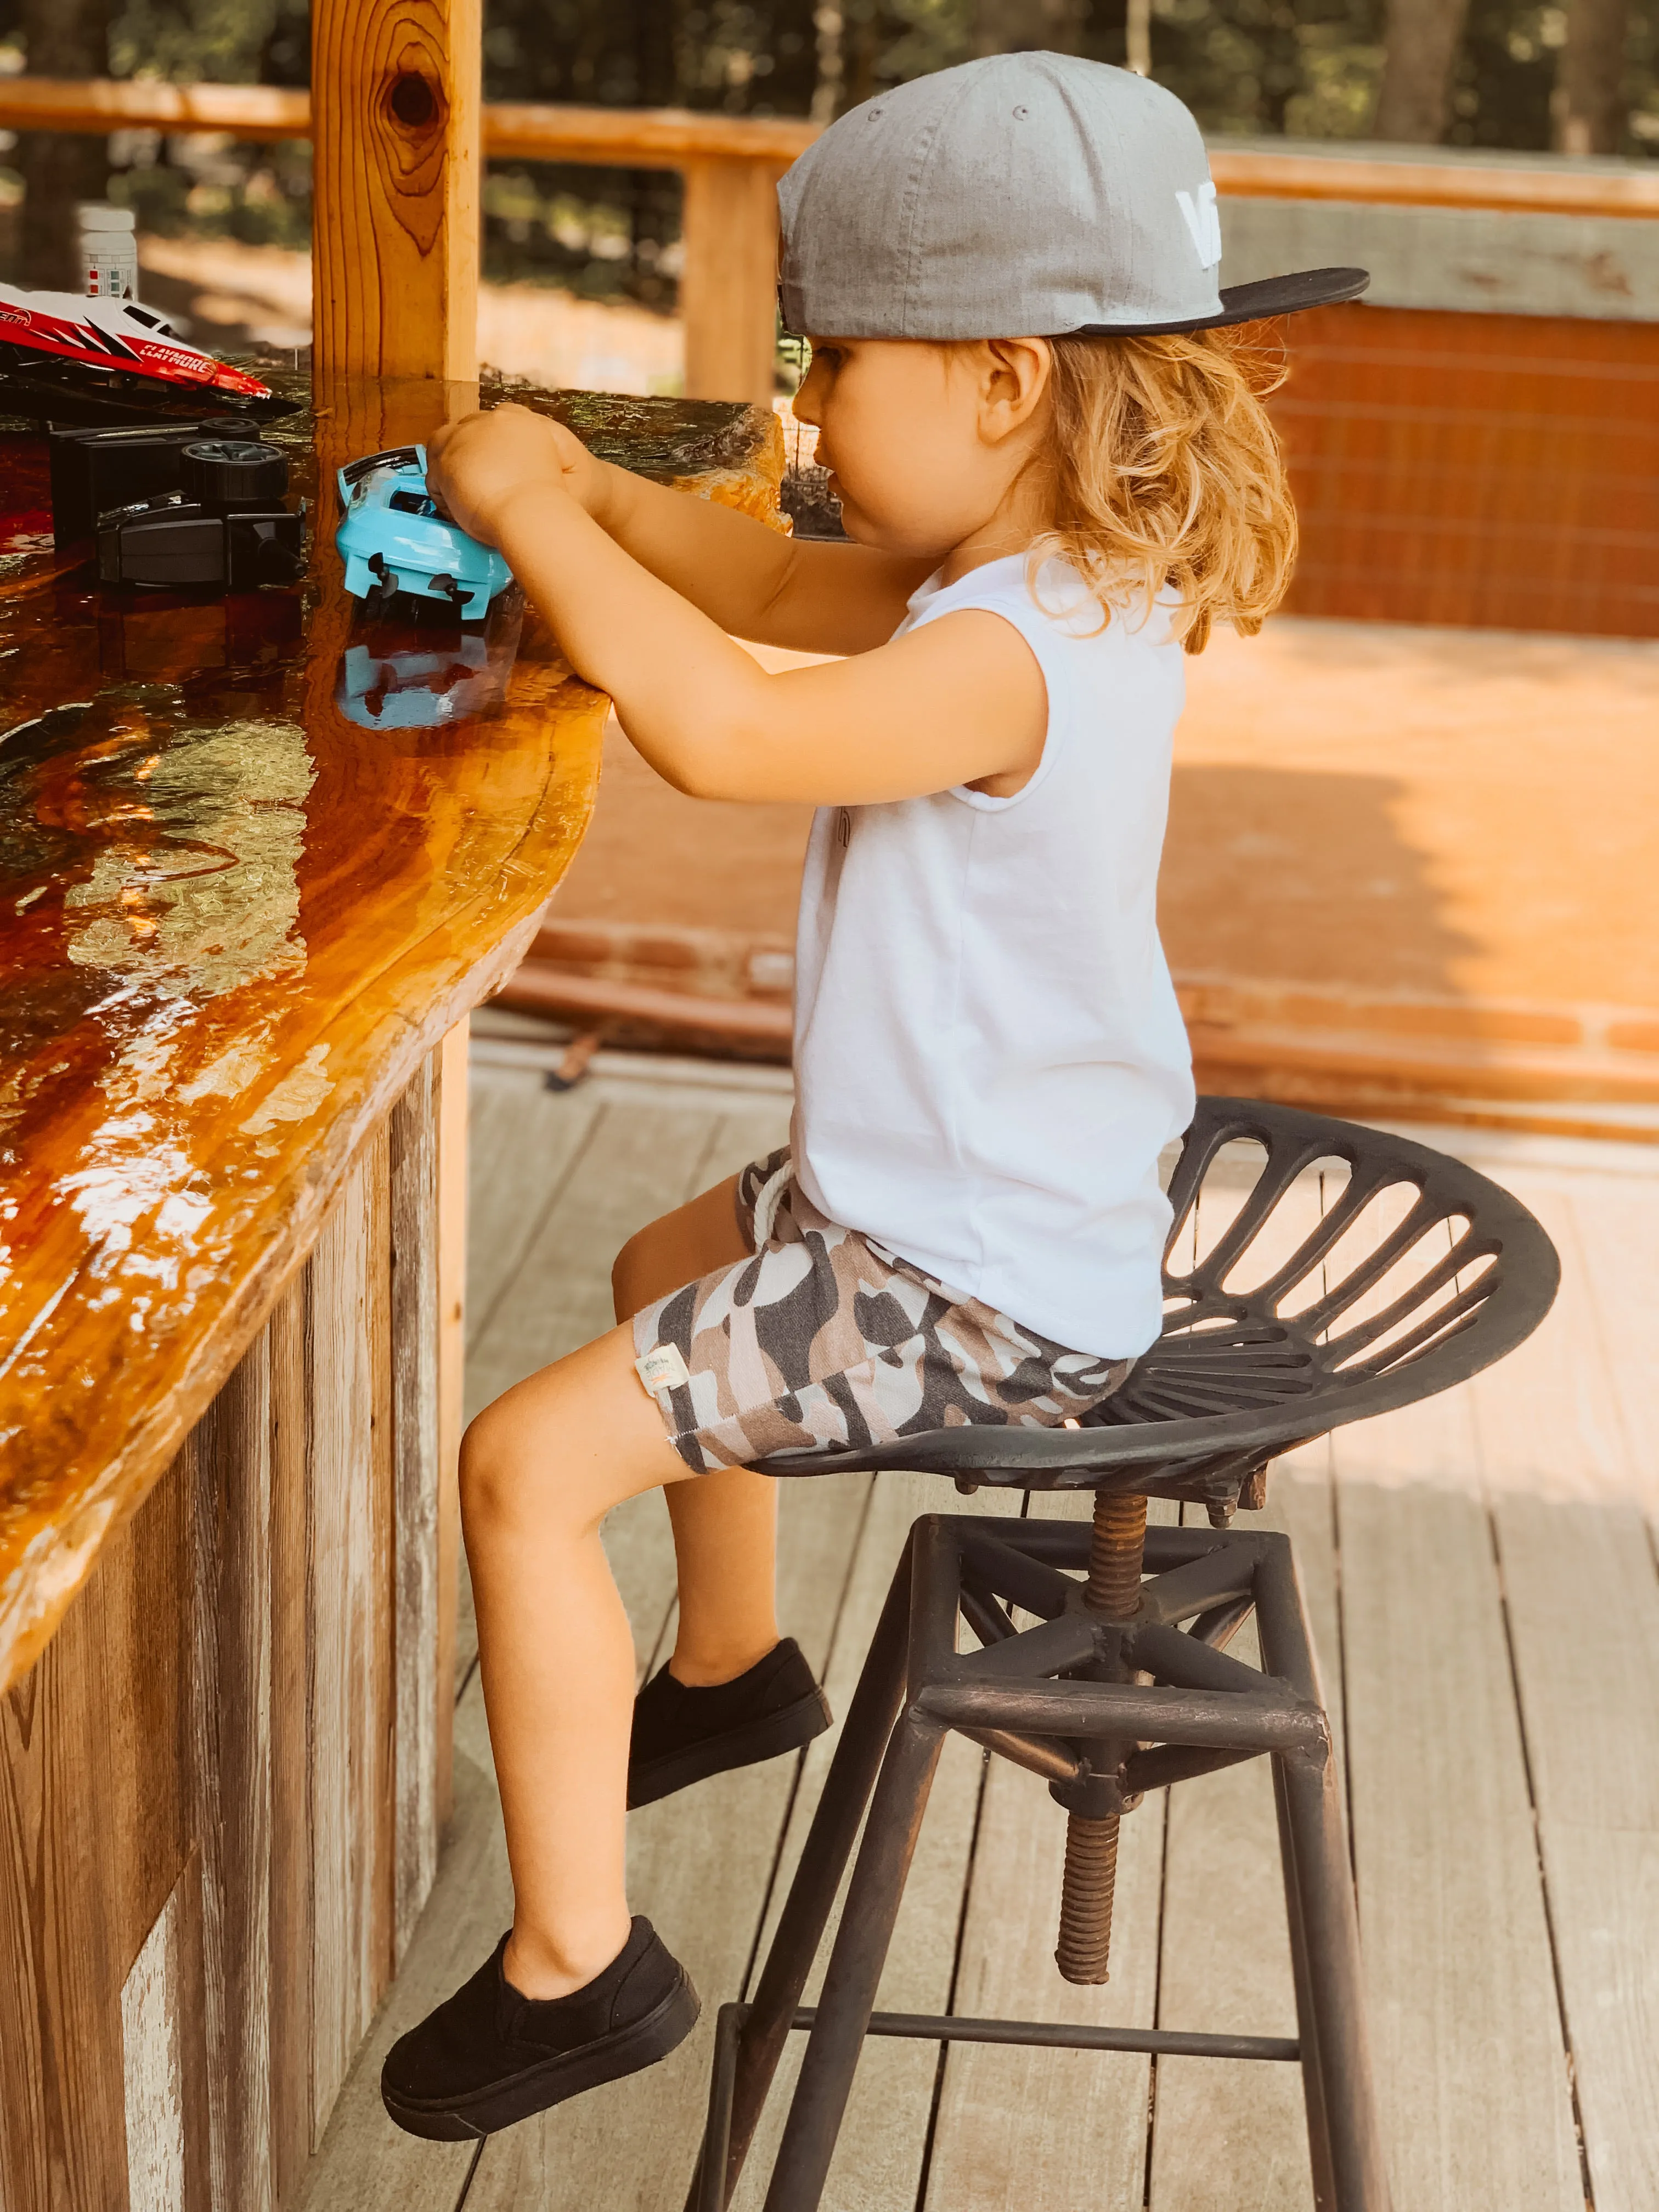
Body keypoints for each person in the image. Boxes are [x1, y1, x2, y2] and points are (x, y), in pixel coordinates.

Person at [379, 50, 1365, 2142]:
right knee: (663, 1261)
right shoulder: (1040, 583)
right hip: (952, 1210)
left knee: (523, 1469)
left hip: (969, 1283)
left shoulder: (1011, 655)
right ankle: (734, 1669)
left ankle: (583, 1962)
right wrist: (596, 484)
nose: (810, 412)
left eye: (835, 364)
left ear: (1004, 378)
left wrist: (535, 513)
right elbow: (740, 591)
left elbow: (727, 726)